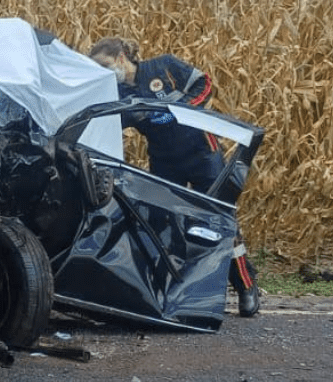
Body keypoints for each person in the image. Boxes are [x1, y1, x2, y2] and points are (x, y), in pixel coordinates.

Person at [87, 36, 260, 316]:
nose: (107, 73)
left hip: (202, 153)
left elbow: (204, 84)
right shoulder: (119, 93)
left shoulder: (164, 66)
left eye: (107, 66)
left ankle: (246, 287)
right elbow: (108, 123)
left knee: (220, 220)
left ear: (121, 58)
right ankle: (181, 292)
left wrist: (182, 111)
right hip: (165, 161)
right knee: (165, 225)